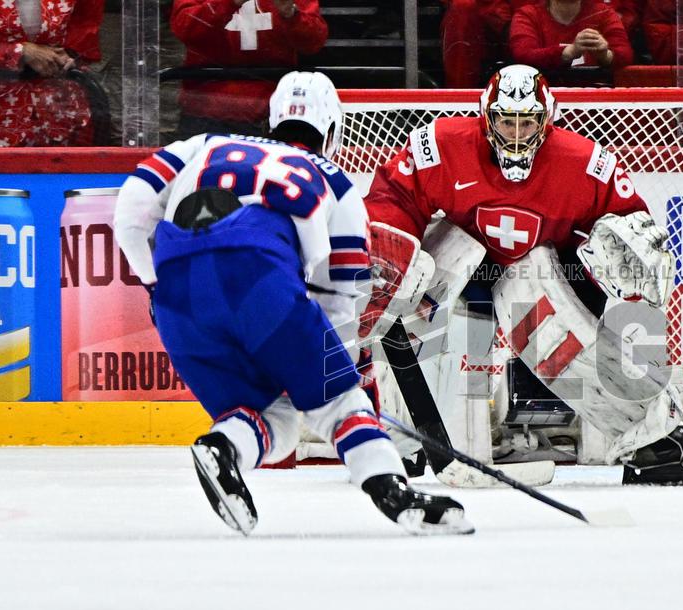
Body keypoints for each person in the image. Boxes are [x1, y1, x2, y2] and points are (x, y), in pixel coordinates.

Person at [112, 71, 473, 536]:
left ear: (273, 117)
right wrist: (335, 370)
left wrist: (155, 286)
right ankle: (395, 493)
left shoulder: (200, 143)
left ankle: (223, 447)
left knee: (270, 415)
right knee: (338, 403)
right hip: (259, 282)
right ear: (334, 128)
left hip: (177, 300)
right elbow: (340, 294)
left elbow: (131, 214)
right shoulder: (337, 183)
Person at [364, 65, 683, 486]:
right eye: (507, 119)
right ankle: (398, 436)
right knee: (413, 292)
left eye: (528, 121)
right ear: (487, 117)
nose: (517, 132)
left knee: (537, 310)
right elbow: (393, 193)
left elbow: (631, 229)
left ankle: (656, 434)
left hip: (547, 271)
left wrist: (620, 255)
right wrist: (393, 247)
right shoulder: (442, 145)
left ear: (547, 119)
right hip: (467, 263)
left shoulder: (585, 164)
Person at [170, 0, 327, 137]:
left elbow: (313, 42)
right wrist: (227, 4)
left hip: (273, 115)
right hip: (205, 112)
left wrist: (291, 14)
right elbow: (183, 27)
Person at [0, 0, 105, 147]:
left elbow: (85, 23)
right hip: (5, 106)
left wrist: (71, 53)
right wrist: (19, 51)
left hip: (58, 105)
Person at [509, 0, 634, 83]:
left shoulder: (604, 13)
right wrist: (568, 52)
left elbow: (625, 54)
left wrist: (604, 55)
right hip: (543, 96)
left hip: (593, 100)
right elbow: (523, 54)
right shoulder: (527, 14)